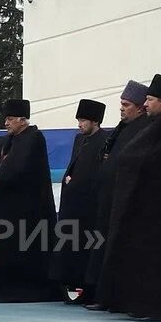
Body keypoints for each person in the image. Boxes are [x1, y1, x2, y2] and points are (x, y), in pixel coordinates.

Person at [97, 74, 161, 321]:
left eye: (150, 100)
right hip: (153, 209)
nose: (146, 104)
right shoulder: (160, 123)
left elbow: (154, 159)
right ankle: (144, 304)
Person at [0, 99, 61, 303]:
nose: (6, 123)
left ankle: (24, 291)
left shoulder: (33, 138)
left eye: (10, 119)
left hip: (28, 210)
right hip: (10, 208)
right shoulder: (12, 141)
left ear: (22, 120)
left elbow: (18, 169)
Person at [84, 80, 150, 310]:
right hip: (109, 199)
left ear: (141, 107)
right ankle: (104, 296)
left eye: (126, 104)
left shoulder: (143, 129)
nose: (121, 108)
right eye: (121, 104)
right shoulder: (123, 129)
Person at [50, 99, 108, 304]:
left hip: (89, 206)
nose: (80, 124)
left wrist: (76, 182)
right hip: (72, 204)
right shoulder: (79, 140)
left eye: (83, 120)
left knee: (86, 250)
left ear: (95, 121)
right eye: (79, 120)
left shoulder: (105, 140)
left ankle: (88, 290)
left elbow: (98, 172)